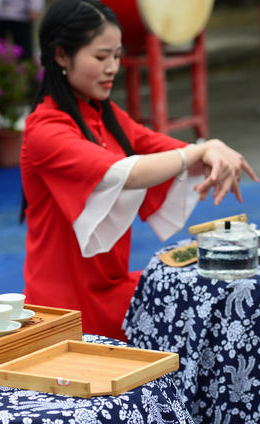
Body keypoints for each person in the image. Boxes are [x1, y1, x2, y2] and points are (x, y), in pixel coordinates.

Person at [20, 0, 258, 341]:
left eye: (117, 56)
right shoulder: (44, 129)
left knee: (218, 306)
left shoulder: (107, 115)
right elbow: (124, 173)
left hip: (112, 289)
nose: (112, 67)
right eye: (101, 57)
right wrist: (200, 150)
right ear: (61, 56)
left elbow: (169, 150)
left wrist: (213, 149)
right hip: (62, 310)